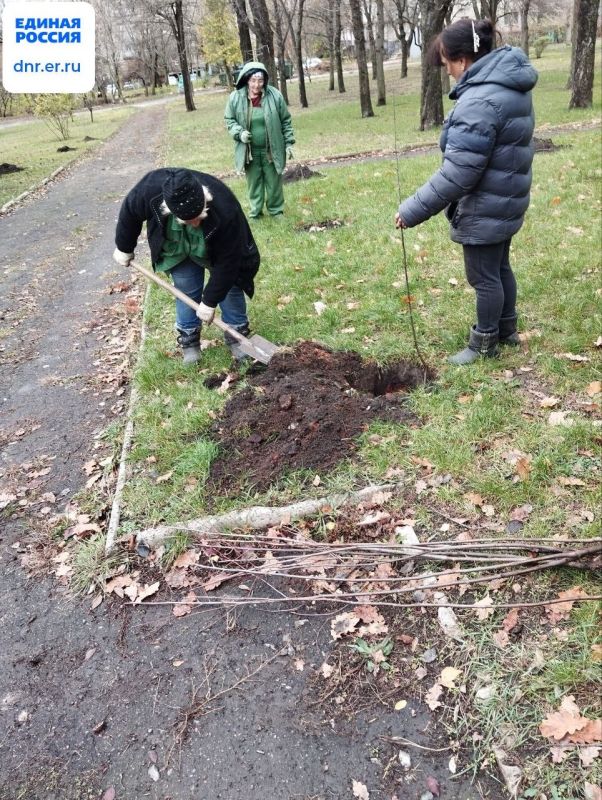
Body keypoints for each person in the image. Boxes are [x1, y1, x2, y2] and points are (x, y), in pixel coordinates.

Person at [395, 18, 537, 365]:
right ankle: (507, 330)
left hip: (486, 204)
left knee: (483, 276)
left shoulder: (479, 101)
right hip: (505, 198)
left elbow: (458, 174)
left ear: (461, 60)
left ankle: (484, 343)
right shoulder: (507, 84)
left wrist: (412, 209)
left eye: (446, 64)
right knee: (500, 267)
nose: (448, 72)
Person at [113, 167, 260, 364]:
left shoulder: (225, 207)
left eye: (199, 218)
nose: (195, 224)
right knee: (186, 289)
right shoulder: (149, 189)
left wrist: (209, 301)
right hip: (177, 244)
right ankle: (189, 341)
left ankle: (237, 335)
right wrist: (124, 247)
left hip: (215, 246)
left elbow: (229, 263)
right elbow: (130, 211)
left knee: (231, 287)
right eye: (188, 221)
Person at [224, 61, 295, 219]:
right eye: (253, 81)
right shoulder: (235, 98)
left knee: (274, 181)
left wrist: (289, 143)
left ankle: (276, 210)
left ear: (265, 81)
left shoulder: (275, 95)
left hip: (272, 148)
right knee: (254, 182)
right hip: (250, 151)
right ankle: (255, 212)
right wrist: (239, 133)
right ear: (247, 79)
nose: (257, 85)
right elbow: (229, 120)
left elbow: (285, 120)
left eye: (260, 80)